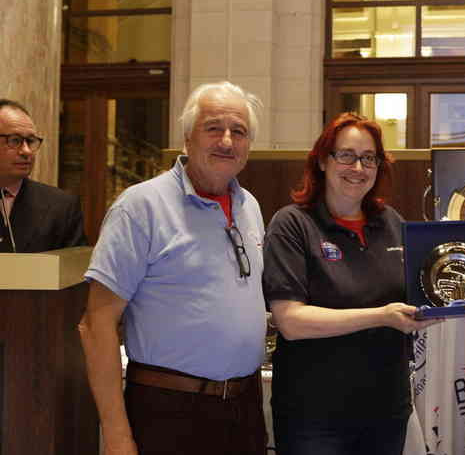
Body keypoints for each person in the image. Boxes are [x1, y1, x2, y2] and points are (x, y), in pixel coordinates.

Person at [78, 82, 267, 455]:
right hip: (167, 411)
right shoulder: (140, 207)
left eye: (239, 132)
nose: (227, 141)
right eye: (213, 128)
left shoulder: (250, 207)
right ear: (187, 137)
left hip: (243, 411)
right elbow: (95, 324)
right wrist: (117, 438)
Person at [263, 113, 438, 455]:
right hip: (314, 417)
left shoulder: (391, 223)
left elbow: (421, 291)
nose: (357, 167)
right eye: (345, 155)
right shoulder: (292, 224)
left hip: (385, 410)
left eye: (368, 158)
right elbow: (291, 321)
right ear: (323, 161)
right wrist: (381, 316)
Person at [0, 99, 86, 253]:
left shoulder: (61, 207)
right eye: (15, 140)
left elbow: (73, 271)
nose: (26, 151)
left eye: (31, 141)